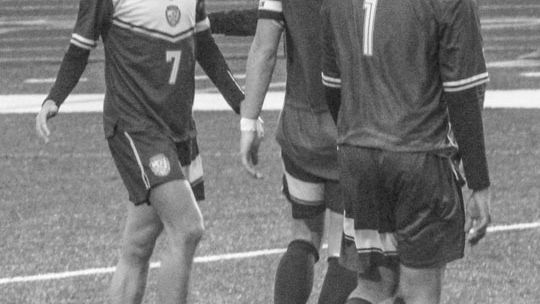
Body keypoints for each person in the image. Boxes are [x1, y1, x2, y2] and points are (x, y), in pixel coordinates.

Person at [34, 0, 259, 303]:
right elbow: (79, 49)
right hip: (134, 126)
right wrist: (54, 98)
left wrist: (243, 105)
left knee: (137, 246)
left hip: (178, 127)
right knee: (188, 228)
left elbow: (205, 47)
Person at [321, 0, 492, 303]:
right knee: (419, 291)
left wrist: (358, 141)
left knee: (372, 286)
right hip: (420, 153)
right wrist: (479, 181)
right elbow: (463, 93)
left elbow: (333, 88)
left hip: (357, 151)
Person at [239, 0, 357, 303]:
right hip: (354, 127)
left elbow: (264, 49)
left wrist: (248, 122)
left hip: (302, 126)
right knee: (346, 250)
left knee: (303, 236)